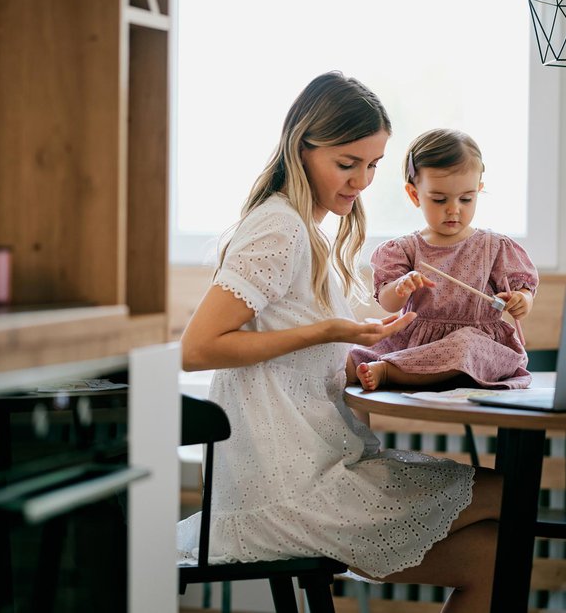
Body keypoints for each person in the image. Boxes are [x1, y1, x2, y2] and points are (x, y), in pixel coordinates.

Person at [178, 72, 501, 613]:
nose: (361, 181)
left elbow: (298, 362)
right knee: (509, 496)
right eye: (347, 164)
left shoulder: (305, 230)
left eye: (372, 165)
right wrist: (333, 331)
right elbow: (199, 346)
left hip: (315, 468)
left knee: (493, 556)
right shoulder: (278, 228)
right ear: (301, 148)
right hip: (292, 491)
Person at [348, 128, 538, 392]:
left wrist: (522, 301)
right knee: (348, 356)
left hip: (475, 347)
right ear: (415, 195)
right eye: (439, 199)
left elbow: (523, 290)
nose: (453, 209)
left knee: (465, 346)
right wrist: (401, 287)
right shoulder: (406, 248)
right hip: (418, 345)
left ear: (478, 191)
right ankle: (397, 368)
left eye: (466, 199)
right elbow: (390, 303)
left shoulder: (493, 247)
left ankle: (390, 371)